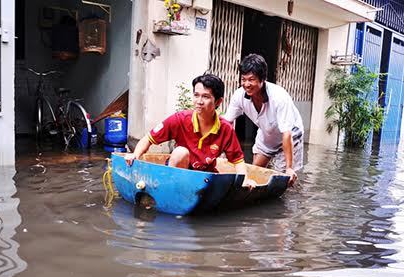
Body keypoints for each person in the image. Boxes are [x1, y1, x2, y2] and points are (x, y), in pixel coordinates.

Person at [125, 74, 257, 189]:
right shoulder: (180, 119)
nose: (199, 102)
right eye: (196, 95)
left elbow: (238, 160)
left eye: (205, 97)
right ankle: (172, 189)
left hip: (205, 178)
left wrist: (244, 180)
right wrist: (135, 155)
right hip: (177, 173)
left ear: (218, 101)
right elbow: (149, 138)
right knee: (180, 152)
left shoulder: (225, 129)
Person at [223, 54, 304, 185]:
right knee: (255, 172)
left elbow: (286, 133)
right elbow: (227, 123)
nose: (246, 84)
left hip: (290, 135)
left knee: (283, 179)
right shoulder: (239, 95)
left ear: (263, 79)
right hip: (267, 132)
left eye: (251, 80)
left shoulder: (279, 97)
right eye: (243, 79)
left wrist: (289, 168)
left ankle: (294, 196)